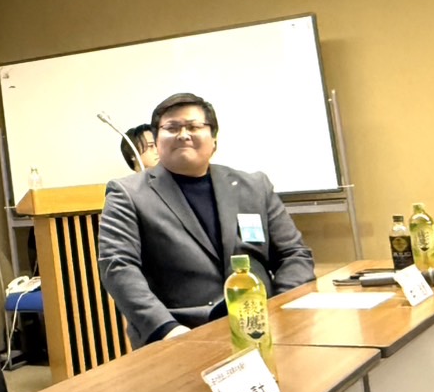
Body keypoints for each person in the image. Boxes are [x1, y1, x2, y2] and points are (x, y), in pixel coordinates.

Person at [97, 92, 315, 347]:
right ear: (156, 141)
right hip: (182, 335)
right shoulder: (128, 194)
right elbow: (118, 267)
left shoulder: (255, 186)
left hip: (263, 325)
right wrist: (166, 329)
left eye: (194, 126)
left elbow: (294, 254)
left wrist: (278, 309)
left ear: (214, 140)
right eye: (171, 127)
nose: (183, 134)